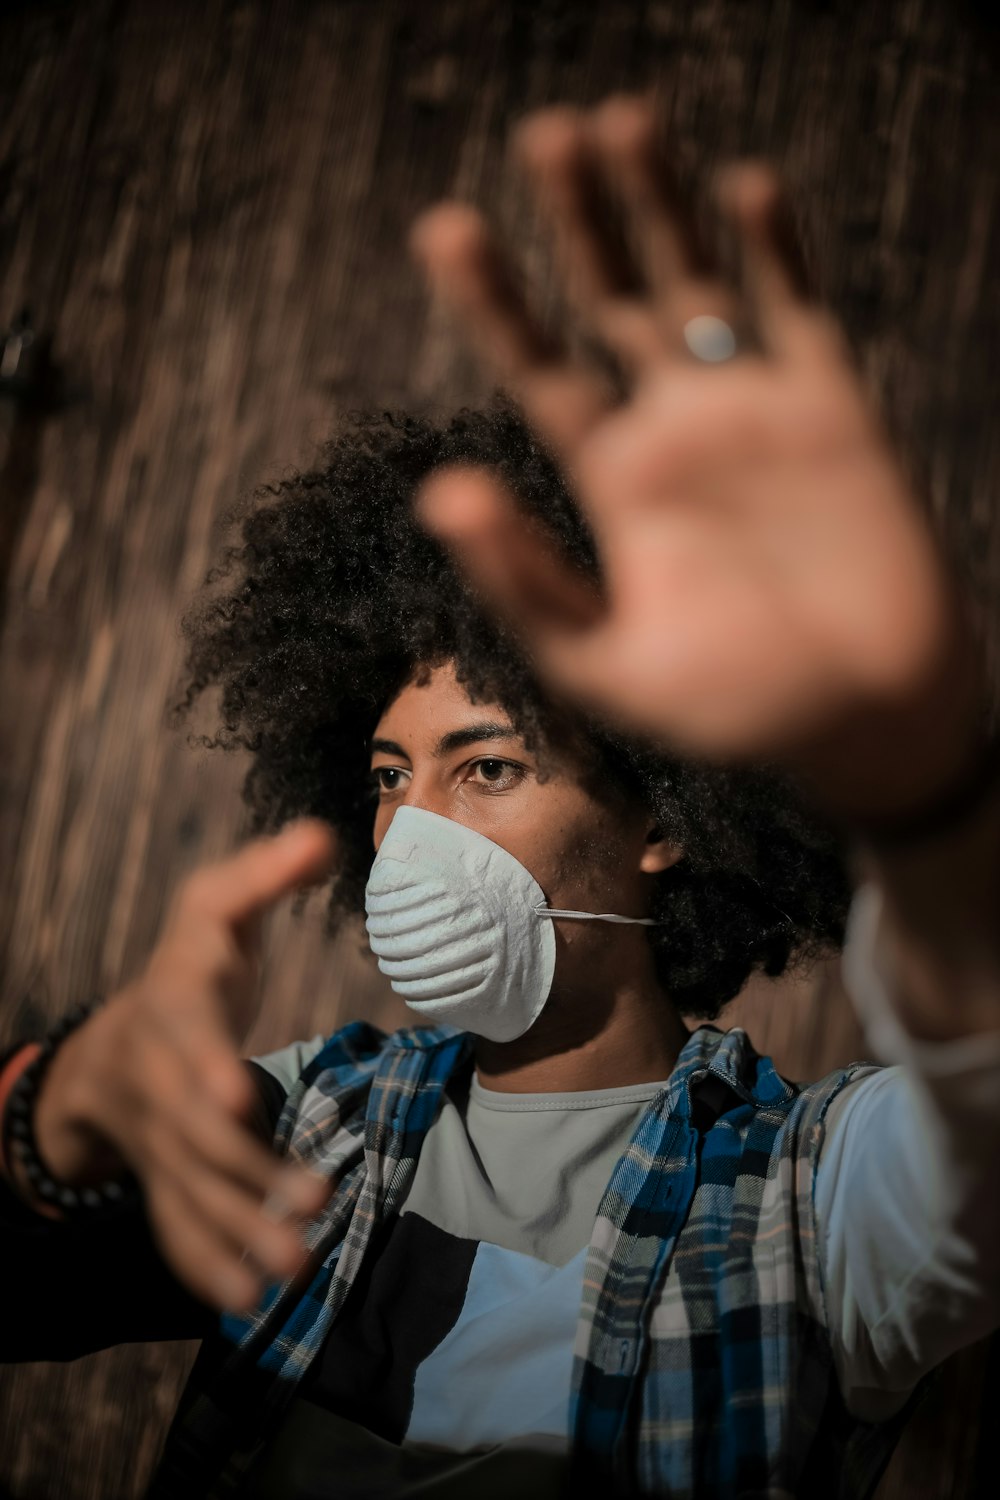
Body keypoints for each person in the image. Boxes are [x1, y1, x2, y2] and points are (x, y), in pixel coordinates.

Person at [1, 97, 999, 1500]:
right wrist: (55, 1122)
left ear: (665, 817)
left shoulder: (820, 1207)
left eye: (490, 767)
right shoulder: (303, 1122)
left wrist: (930, 801)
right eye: (389, 780)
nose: (411, 837)